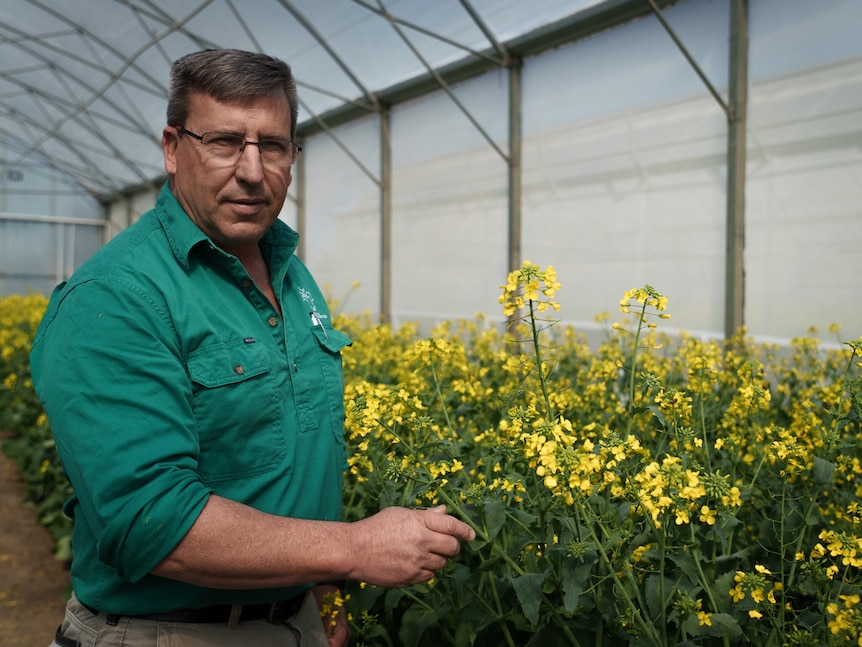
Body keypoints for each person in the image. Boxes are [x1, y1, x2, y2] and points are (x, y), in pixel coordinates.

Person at [31, 48, 476, 647]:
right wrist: (351, 549)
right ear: (171, 147)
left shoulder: (290, 273)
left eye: (273, 146)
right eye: (224, 142)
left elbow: (291, 454)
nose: (252, 170)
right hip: (164, 634)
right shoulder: (114, 298)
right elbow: (151, 522)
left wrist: (320, 585)